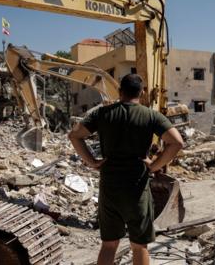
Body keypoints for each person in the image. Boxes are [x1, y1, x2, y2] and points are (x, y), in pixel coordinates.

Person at [68, 74, 184, 265]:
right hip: (137, 189)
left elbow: (74, 135)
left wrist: (92, 161)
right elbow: (176, 142)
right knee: (139, 246)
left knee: (109, 244)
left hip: (110, 189)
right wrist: (154, 165)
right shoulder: (151, 116)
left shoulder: (102, 114)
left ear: (120, 92)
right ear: (142, 92)